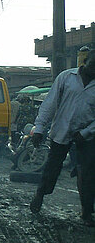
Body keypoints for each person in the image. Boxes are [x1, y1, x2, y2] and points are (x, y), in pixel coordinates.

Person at [29, 49, 95, 227]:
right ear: (85, 62)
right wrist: (40, 129)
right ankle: (40, 195)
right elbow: (49, 104)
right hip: (61, 132)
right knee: (52, 169)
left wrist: (86, 132)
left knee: (87, 173)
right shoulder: (66, 78)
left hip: (87, 136)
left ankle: (87, 212)